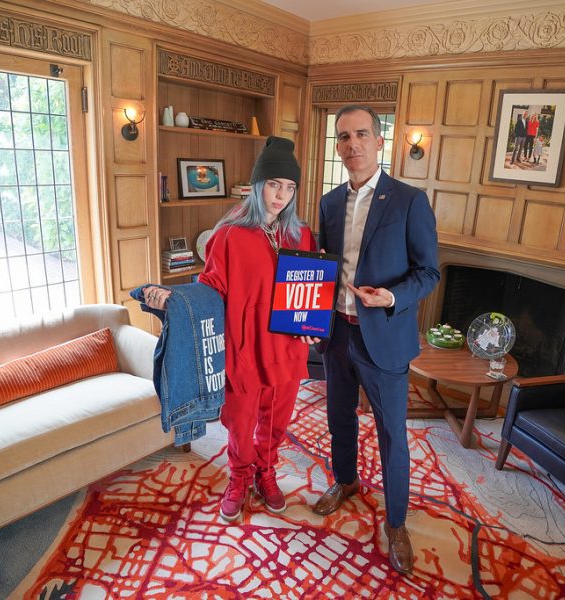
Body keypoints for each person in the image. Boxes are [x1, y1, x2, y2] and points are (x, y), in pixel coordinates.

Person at [144, 136, 316, 522]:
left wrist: (312, 323)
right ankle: (239, 477)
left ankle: (266, 473)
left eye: (289, 188)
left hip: (287, 347)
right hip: (245, 347)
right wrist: (172, 299)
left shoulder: (300, 235)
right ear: (258, 185)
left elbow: (308, 287)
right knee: (241, 421)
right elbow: (210, 291)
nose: (281, 196)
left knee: (276, 418)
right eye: (274, 185)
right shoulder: (228, 235)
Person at [313, 105, 440, 575]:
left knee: (392, 436)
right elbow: (325, 268)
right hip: (336, 333)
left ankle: (397, 522)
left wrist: (390, 296)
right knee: (337, 418)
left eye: (361, 134)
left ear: (379, 140)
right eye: (344, 137)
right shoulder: (328, 203)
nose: (352, 145)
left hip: (383, 337)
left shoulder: (408, 200)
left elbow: (429, 272)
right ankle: (345, 481)